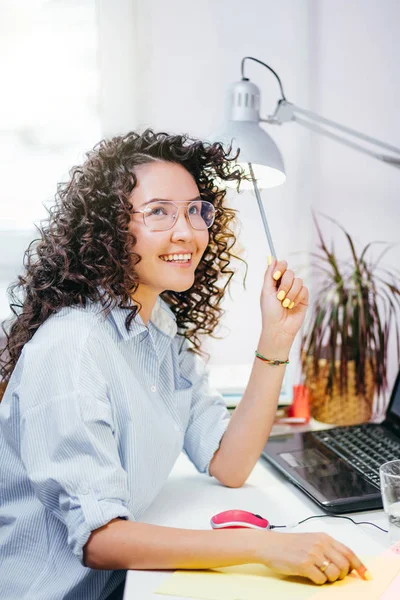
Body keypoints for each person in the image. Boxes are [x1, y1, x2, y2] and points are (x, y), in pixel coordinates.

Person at [0, 130, 369, 600]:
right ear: (108, 229)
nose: (188, 231)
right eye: (159, 212)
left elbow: (229, 462)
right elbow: (100, 541)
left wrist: (275, 337)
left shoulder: (159, 324)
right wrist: (263, 546)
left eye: (196, 210)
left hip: (128, 583)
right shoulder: (72, 348)